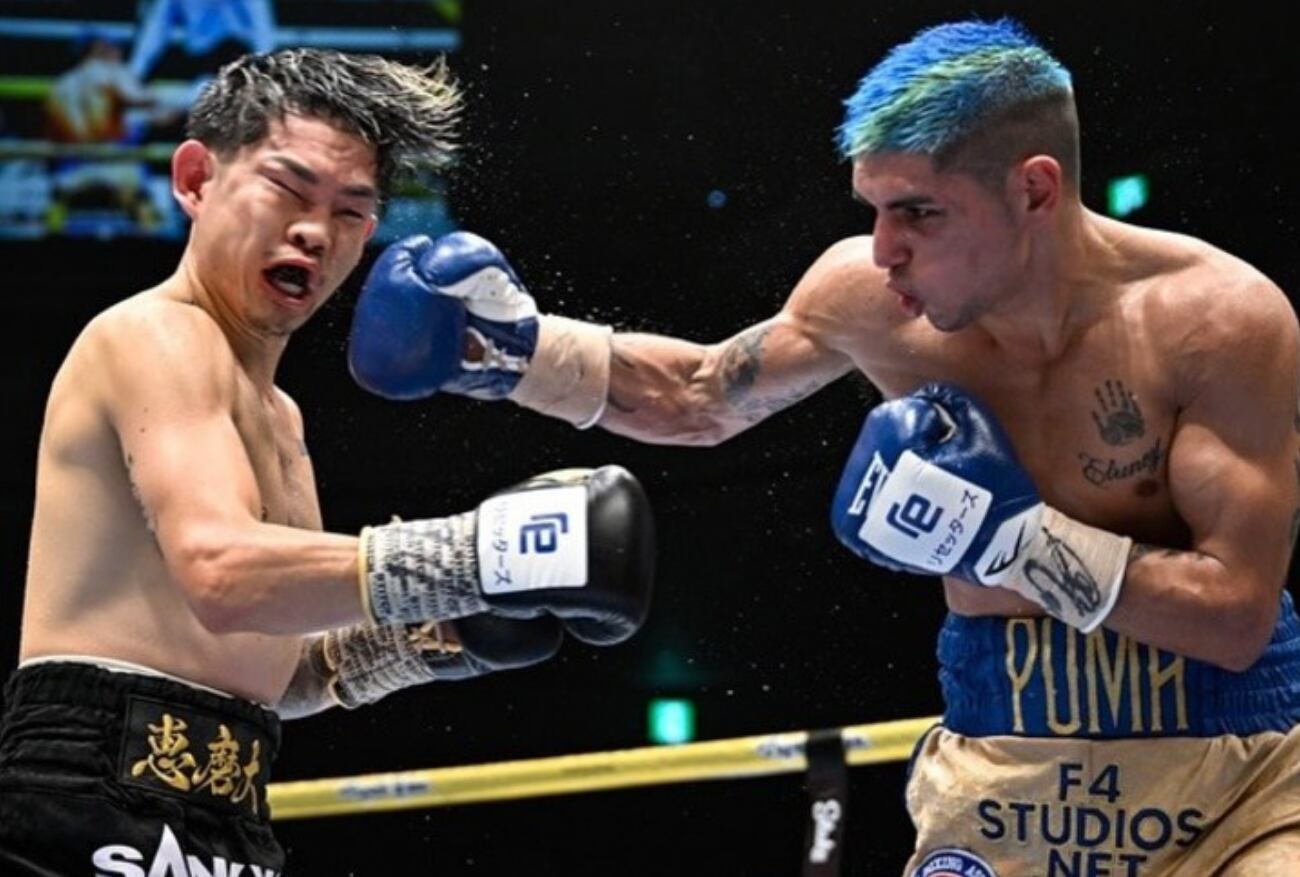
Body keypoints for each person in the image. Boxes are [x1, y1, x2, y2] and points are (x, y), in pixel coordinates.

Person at [347, 18, 1300, 876]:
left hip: (1237, 781)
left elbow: (1234, 615)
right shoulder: (872, 301)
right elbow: (700, 396)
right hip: (1010, 764)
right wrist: (509, 353)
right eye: (873, 209)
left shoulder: (1215, 322)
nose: (884, 249)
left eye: (919, 212)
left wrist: (1015, 541)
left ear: (1035, 190)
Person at [0, 48, 654, 876]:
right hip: (86, 803)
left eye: (350, 211)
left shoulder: (280, 415)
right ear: (197, 178)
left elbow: (275, 665)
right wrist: (480, 556)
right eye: (288, 188)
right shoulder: (154, 334)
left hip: (227, 812)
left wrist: (434, 633)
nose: (315, 229)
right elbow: (223, 572)